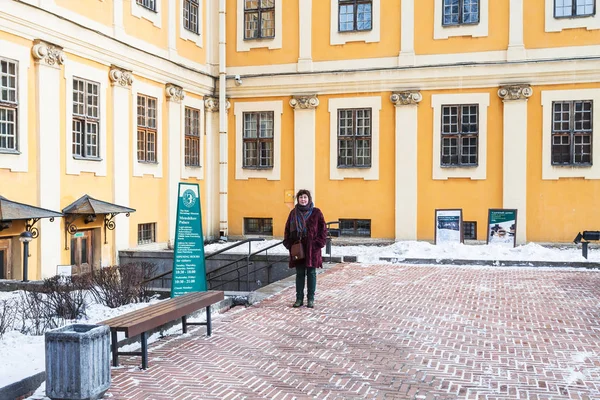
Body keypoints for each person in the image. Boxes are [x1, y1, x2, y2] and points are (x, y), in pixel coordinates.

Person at [283, 189, 327, 308]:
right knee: (300, 274)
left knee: (311, 273)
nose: (303, 200)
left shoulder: (316, 212)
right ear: (298, 199)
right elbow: (287, 230)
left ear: (309, 199)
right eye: (301, 197)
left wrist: (318, 244)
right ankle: (299, 299)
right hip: (298, 247)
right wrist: (289, 244)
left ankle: (311, 299)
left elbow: (323, 230)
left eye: (305, 197)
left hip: (312, 248)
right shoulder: (293, 213)